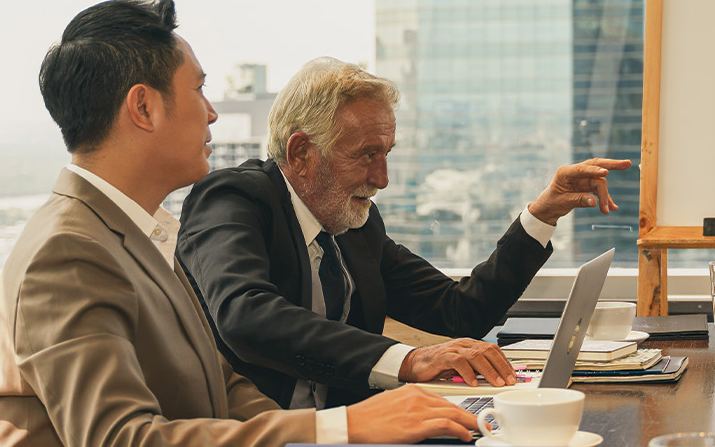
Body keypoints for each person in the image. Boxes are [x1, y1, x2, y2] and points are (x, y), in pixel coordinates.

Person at [0, 0, 480, 447]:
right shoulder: (66, 251)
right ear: (144, 108)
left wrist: (333, 440)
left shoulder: (143, 232)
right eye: (198, 89)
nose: (213, 112)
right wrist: (340, 430)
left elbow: (224, 389)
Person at [176, 57, 630, 408]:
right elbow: (246, 315)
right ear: (300, 153)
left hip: (357, 441)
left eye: (387, 153)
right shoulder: (234, 198)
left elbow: (460, 312)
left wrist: (541, 215)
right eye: (367, 154)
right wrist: (408, 360)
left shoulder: (355, 222)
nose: (383, 178)